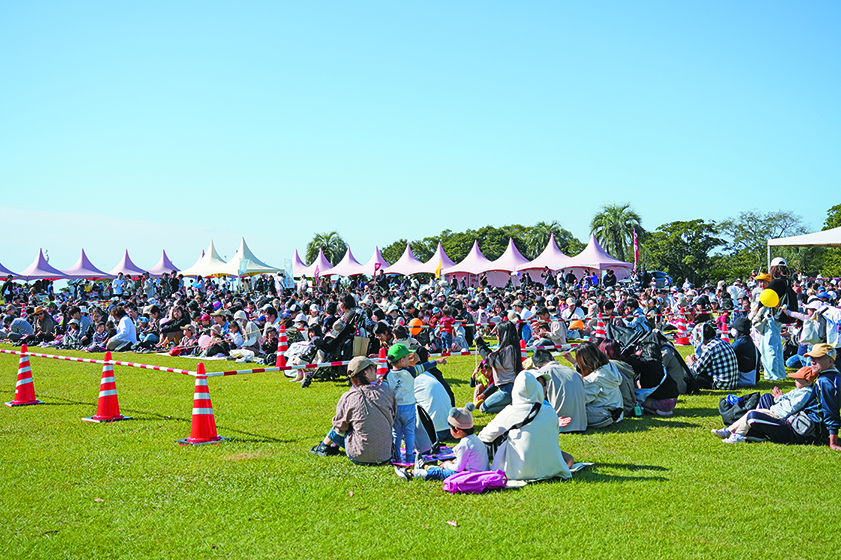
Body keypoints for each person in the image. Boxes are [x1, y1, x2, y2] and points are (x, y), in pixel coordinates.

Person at [478, 372, 573, 481]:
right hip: (550, 469)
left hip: (517, 471)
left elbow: (485, 436)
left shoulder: (511, 411)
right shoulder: (550, 411)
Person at [310, 357, 396, 464]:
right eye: (372, 368)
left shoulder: (349, 397)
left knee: (343, 423)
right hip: (386, 455)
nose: (375, 370)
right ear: (365, 373)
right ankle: (328, 445)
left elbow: (339, 427)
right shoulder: (386, 392)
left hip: (358, 456)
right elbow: (393, 416)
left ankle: (323, 446)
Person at [712, 366, 816, 444]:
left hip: (780, 415)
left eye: (798, 379)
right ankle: (730, 431)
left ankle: (737, 435)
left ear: (808, 382)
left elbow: (791, 408)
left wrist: (779, 399)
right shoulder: (799, 389)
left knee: (752, 413)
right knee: (766, 397)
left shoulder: (805, 393)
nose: (795, 381)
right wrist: (779, 398)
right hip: (776, 410)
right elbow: (786, 397)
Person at [385, 343, 447, 462]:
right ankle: (409, 455)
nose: (409, 360)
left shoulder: (387, 375)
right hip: (409, 408)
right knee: (409, 432)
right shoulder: (411, 372)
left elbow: (384, 389)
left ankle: (396, 455)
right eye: (408, 358)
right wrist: (437, 361)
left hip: (395, 409)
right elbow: (425, 366)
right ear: (402, 360)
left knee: (396, 433)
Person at [394, 404, 489, 481]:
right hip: (479, 473)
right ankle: (426, 467)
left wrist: (447, 465)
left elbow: (459, 468)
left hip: (470, 476)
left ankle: (411, 473)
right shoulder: (475, 439)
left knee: (441, 472)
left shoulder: (464, 444)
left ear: (457, 429)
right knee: (445, 467)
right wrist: (452, 463)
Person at [529, 348, 587, 432]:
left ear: (536, 367)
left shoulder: (541, 373)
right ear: (553, 358)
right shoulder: (573, 372)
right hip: (581, 424)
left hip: (558, 425)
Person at [474, 321, 522, 414]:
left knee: (483, 409)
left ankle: (513, 407)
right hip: (511, 388)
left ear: (504, 335)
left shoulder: (507, 350)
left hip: (507, 390)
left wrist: (479, 344)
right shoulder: (513, 348)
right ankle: (512, 405)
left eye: (497, 334)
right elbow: (491, 355)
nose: (496, 336)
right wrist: (484, 394)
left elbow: (489, 359)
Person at [576, 342, 625, 428]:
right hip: (617, 411)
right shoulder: (610, 366)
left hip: (603, 414)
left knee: (572, 411)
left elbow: (584, 399)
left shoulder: (595, 378)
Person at [685, 323, 739, 390]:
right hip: (732, 383)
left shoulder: (710, 347)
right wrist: (698, 361)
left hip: (719, 385)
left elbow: (696, 370)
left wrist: (690, 361)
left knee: (686, 373)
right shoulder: (723, 342)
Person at [729, 316, 759, 387]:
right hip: (752, 377)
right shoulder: (747, 340)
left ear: (738, 330)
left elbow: (728, 353)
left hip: (744, 379)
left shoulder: (741, 342)